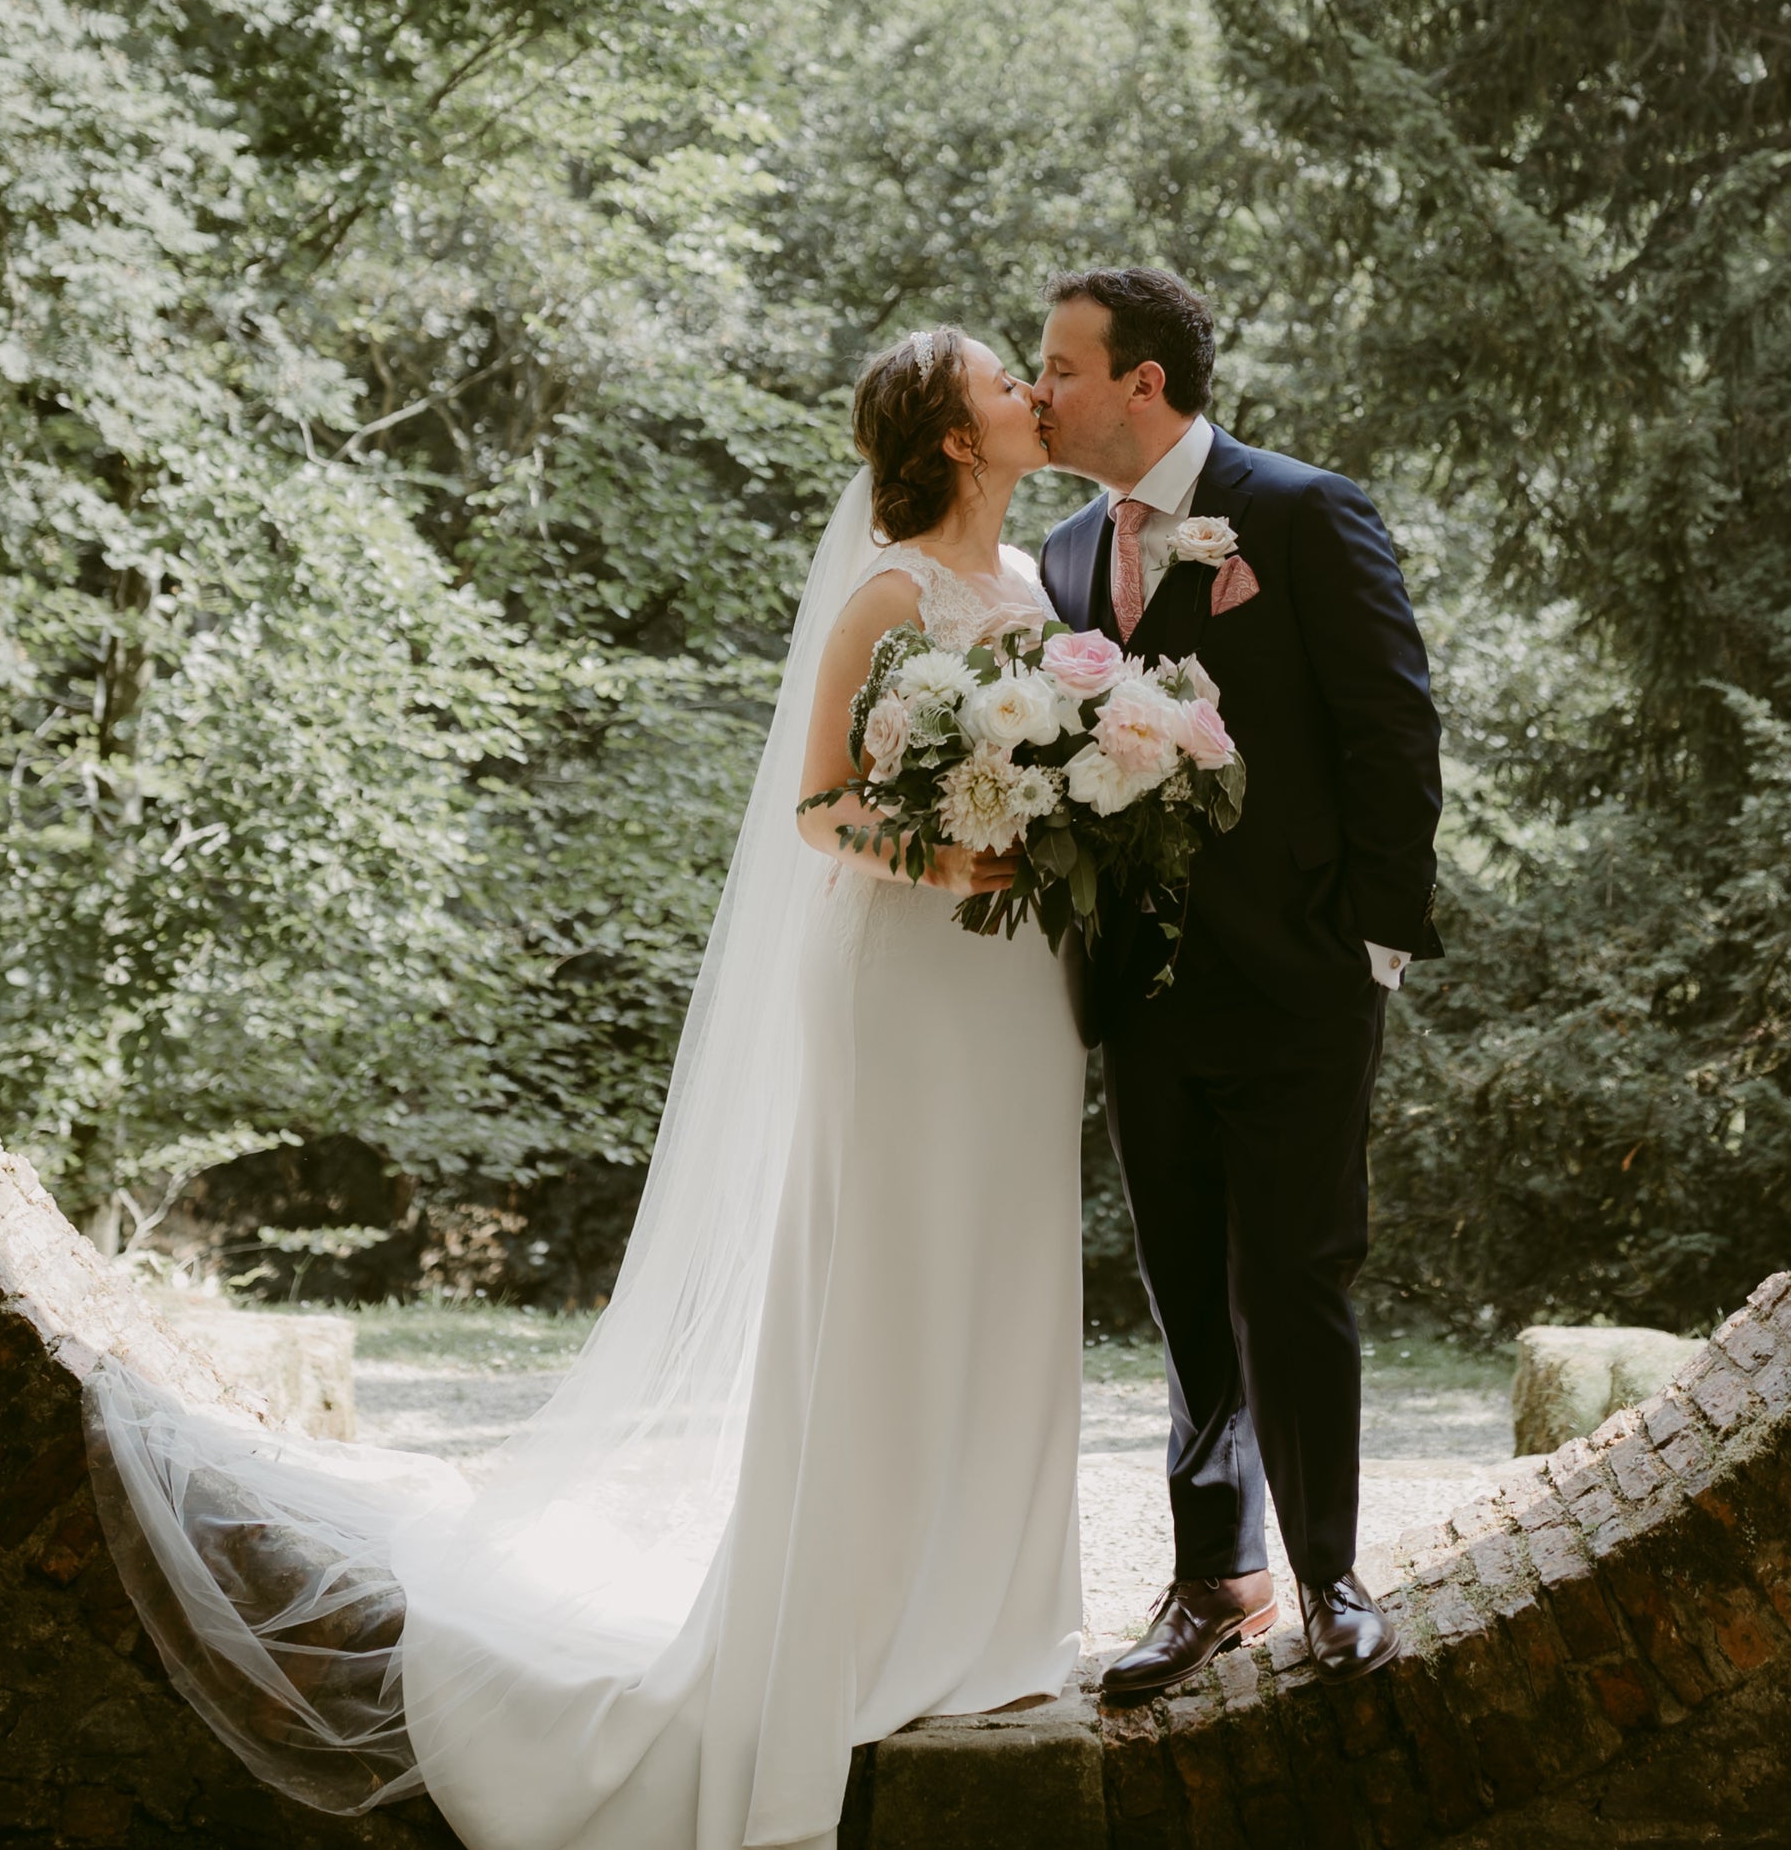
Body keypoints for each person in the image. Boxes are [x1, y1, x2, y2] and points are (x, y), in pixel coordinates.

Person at [86, 327, 1089, 1850]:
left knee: (1009, 1268)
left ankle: (995, 1621)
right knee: (887, 1278)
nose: (1031, 392)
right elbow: (820, 806)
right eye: (1004, 382)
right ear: (954, 437)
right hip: (904, 977)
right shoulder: (891, 597)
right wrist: (940, 852)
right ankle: (860, 1623)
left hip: (1015, 986)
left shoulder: (1035, 597)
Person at [1030, 266, 1444, 1702]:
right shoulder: (1069, 553)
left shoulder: (1302, 510)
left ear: (1145, 381)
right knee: (1188, 1295)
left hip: (1304, 980)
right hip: (1143, 993)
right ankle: (1218, 1579)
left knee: (1298, 1273)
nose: (1039, 393)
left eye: (1061, 367)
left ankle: (1331, 1574)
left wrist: (1374, 940)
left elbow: (1393, 722)